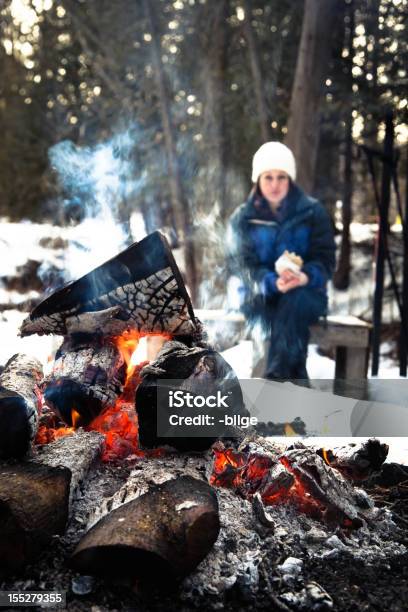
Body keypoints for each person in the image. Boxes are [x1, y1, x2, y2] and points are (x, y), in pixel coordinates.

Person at [228, 142, 336, 380]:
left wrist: (305, 276)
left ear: (290, 179)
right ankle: (294, 381)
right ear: (258, 179)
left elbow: (326, 260)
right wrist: (270, 282)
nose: (275, 184)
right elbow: (239, 264)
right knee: (276, 312)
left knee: (294, 300)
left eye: (281, 177)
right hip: (260, 296)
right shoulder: (243, 218)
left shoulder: (313, 212)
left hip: (306, 294)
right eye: (268, 177)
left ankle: (276, 378)